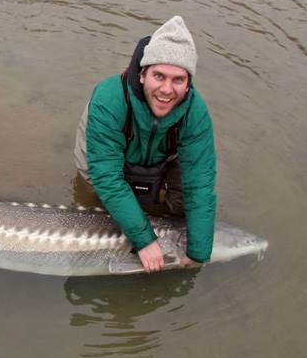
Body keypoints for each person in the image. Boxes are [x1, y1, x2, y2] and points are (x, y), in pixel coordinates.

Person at [74, 16, 216, 273]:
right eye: (159, 76)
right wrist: (145, 240)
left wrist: (199, 252)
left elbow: (200, 187)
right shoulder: (110, 98)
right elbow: (107, 177)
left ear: (188, 83)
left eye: (178, 80)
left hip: (165, 151)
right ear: (142, 74)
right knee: (97, 193)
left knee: (184, 206)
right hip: (111, 143)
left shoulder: (196, 113)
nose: (166, 89)